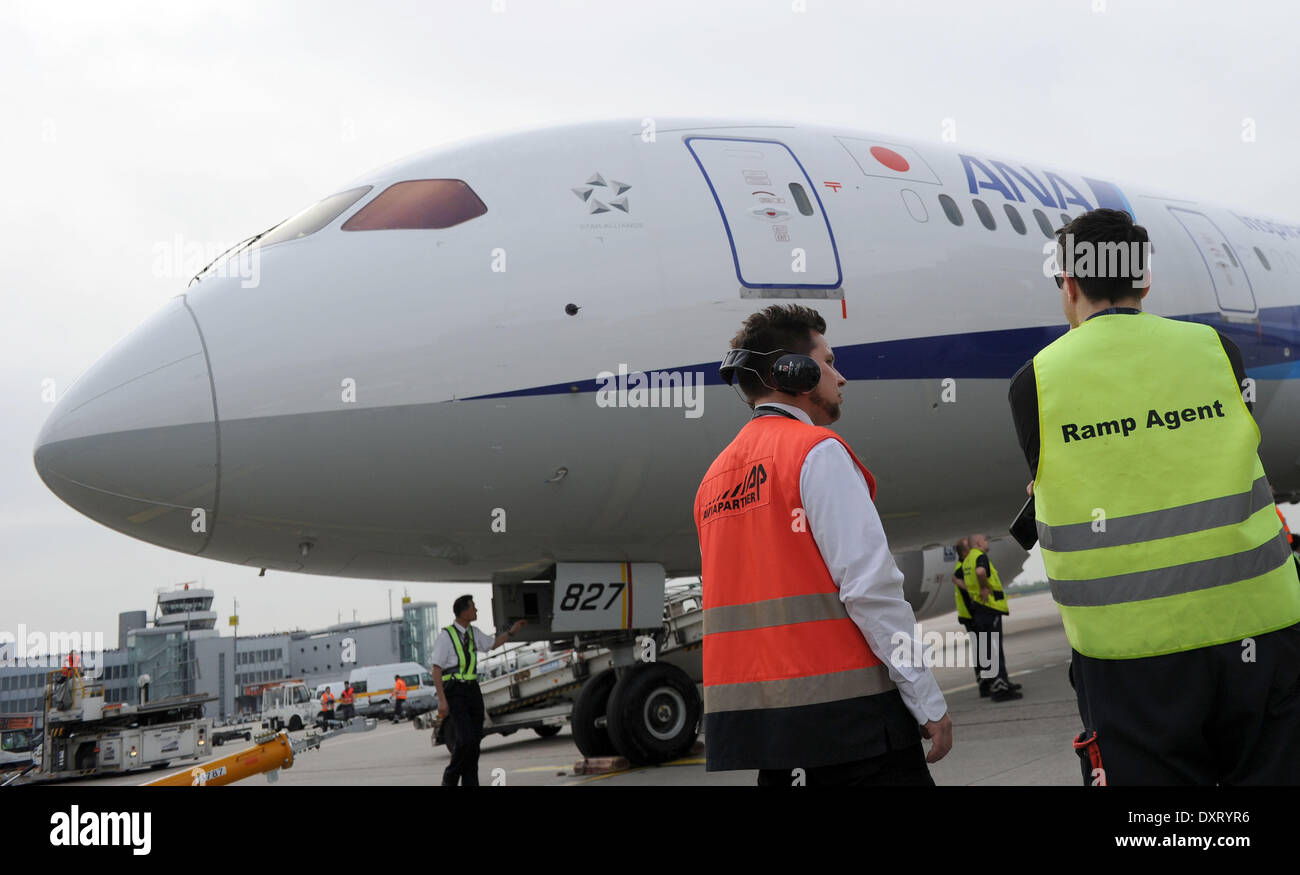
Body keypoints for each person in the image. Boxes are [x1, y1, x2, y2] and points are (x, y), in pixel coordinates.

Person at [1008, 207, 1300, 785]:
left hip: (1128, 648)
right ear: (1144, 280)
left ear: (1068, 284)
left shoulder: (1034, 383)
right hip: (1258, 625)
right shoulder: (1217, 349)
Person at [696, 304, 951, 786]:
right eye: (829, 362)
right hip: (852, 730)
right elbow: (871, 589)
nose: (841, 377)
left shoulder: (714, 481)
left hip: (770, 738)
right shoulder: (816, 454)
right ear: (797, 374)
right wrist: (926, 700)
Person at [431, 595, 526, 786]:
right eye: (473, 608)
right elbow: (436, 669)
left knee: (475, 741)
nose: (476, 611)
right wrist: (442, 700)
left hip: (473, 691)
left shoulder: (473, 633)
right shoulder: (446, 636)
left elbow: (492, 644)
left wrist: (512, 632)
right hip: (455, 691)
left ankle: (470, 782)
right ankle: (449, 778)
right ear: (464, 611)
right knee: (465, 739)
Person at [961, 534, 1022, 702]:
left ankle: (999, 684)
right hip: (989, 608)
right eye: (986, 540)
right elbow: (981, 572)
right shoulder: (980, 557)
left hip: (979, 610)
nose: (988, 542)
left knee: (989, 650)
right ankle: (1000, 688)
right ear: (979, 543)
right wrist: (984, 588)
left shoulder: (967, 561)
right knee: (995, 651)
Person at [951, 538, 982, 690]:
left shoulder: (961, 567)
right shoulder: (962, 568)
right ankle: (987, 683)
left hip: (968, 615)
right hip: (971, 616)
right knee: (983, 650)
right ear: (965, 552)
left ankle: (986, 683)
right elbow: (968, 589)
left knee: (981, 650)